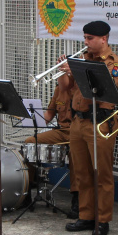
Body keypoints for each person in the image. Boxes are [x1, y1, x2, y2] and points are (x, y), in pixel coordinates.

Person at [59, 21, 118, 235]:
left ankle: (103, 219)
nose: (85, 42)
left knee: (101, 174)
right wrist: (63, 71)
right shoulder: (84, 59)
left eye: (90, 38)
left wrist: (77, 71)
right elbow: (65, 87)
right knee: (82, 173)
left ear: (103, 39)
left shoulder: (114, 64)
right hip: (78, 122)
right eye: (85, 38)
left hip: (99, 123)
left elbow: (100, 91)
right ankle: (86, 216)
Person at [24, 74, 79, 218]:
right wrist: (28, 116)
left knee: (76, 154)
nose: (59, 76)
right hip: (61, 131)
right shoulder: (58, 90)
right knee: (30, 142)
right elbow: (49, 115)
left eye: (62, 71)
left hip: (77, 131)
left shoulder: (79, 88)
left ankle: (77, 199)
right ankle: (27, 190)